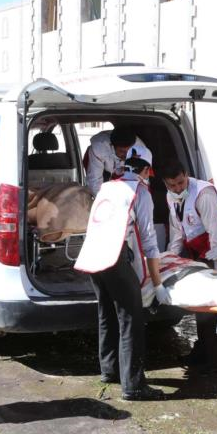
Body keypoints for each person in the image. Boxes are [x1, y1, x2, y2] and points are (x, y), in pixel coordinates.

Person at [74, 143, 169, 401]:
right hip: (113, 258)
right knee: (131, 321)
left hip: (92, 256)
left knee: (107, 313)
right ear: (147, 170)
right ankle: (134, 386)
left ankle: (110, 370)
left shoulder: (107, 187)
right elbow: (149, 242)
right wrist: (158, 284)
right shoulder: (140, 192)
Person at [160, 160, 217, 373]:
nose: (177, 188)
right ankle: (207, 353)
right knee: (201, 310)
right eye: (172, 185)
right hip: (199, 254)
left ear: (186, 175)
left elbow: (216, 236)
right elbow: (177, 232)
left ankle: (213, 359)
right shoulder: (171, 196)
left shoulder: (204, 195)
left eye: (181, 183)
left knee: (212, 309)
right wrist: (170, 262)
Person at [84, 127, 146, 195]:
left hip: (122, 170)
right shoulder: (99, 148)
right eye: (122, 151)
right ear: (112, 145)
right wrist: (103, 201)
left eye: (129, 151)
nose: (126, 155)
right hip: (102, 165)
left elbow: (143, 181)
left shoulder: (140, 149)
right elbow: (94, 181)